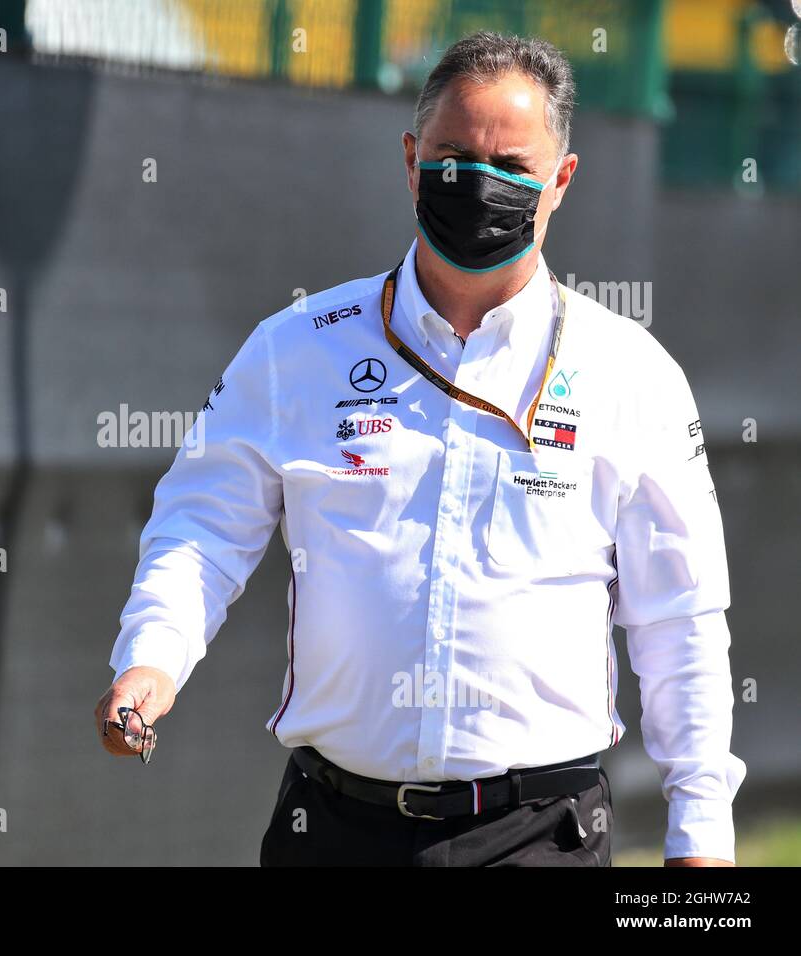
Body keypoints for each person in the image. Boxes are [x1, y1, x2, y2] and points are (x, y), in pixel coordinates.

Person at [93, 31, 744, 866]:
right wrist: (150, 660)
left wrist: (702, 836)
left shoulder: (630, 372)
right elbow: (200, 529)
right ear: (410, 161)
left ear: (561, 181)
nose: (479, 184)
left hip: (539, 832)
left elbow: (681, 618)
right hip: (331, 826)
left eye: (512, 164)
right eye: (452, 157)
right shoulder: (297, 349)